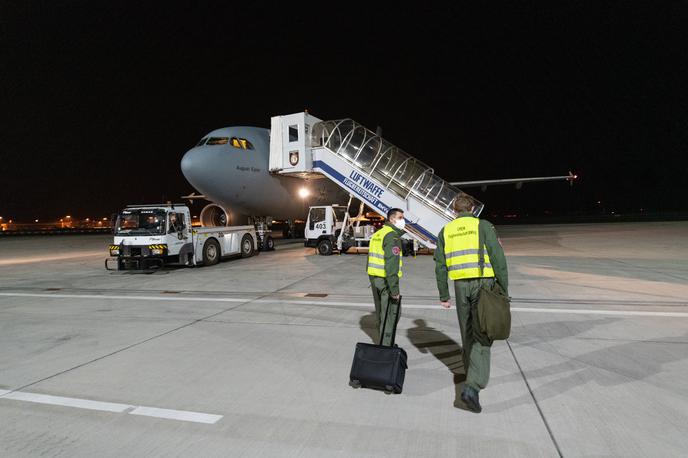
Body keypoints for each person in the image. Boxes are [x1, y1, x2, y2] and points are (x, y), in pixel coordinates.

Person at [434, 194, 508, 413]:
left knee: (467, 334)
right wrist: (503, 288)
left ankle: (470, 375)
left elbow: (440, 265)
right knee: (484, 335)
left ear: (454, 209)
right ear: (473, 208)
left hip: (459, 286)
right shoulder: (483, 226)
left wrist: (443, 294)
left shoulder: (445, 231)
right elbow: (498, 258)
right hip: (483, 285)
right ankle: (472, 387)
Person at [367, 208, 406, 346]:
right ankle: (386, 348)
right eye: (400, 217)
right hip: (385, 281)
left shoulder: (378, 234)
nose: (403, 220)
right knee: (391, 315)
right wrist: (394, 290)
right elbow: (391, 265)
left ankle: (382, 342)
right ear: (392, 219)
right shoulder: (392, 236)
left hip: (374, 279)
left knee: (381, 314)